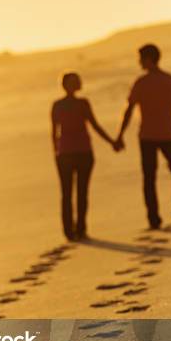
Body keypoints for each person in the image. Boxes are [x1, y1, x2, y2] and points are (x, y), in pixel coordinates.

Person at [117, 44, 171, 229]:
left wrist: (120, 135)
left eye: (140, 58)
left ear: (148, 59)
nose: (139, 61)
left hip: (147, 136)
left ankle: (153, 219)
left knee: (149, 178)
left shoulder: (141, 83)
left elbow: (128, 111)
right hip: (168, 135)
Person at [51, 72, 119, 241]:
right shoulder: (79, 104)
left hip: (69, 153)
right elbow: (94, 126)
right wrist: (112, 142)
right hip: (78, 152)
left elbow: (55, 133)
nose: (78, 83)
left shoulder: (60, 105)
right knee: (78, 192)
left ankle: (73, 230)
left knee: (70, 193)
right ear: (67, 85)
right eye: (75, 81)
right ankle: (77, 229)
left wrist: (56, 152)